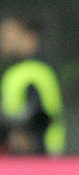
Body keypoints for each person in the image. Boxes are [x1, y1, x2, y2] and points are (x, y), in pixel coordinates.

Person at [0, 13, 65, 156]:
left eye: (9, 35)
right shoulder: (16, 71)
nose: (4, 40)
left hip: (39, 155)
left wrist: (23, 132)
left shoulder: (36, 70)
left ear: (29, 37)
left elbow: (40, 112)